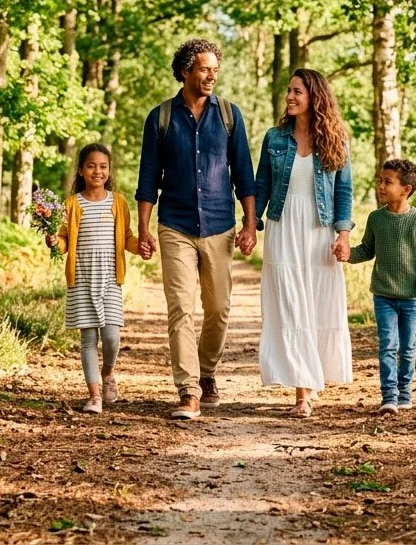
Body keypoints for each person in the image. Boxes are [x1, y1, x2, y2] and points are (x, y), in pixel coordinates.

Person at [135, 38, 257, 420]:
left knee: (218, 309)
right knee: (180, 308)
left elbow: (244, 173)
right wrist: (143, 228)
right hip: (175, 225)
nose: (211, 76)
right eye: (205, 69)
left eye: (215, 70)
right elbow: (148, 177)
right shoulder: (161, 118)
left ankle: (206, 372)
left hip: (220, 225)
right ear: (186, 70)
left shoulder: (229, 115)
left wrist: (250, 223)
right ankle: (188, 390)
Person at [254, 69, 354, 419]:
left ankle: (309, 385)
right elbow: (262, 185)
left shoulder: (336, 139)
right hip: (283, 227)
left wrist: (343, 234)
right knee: (290, 305)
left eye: (297, 91)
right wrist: (251, 224)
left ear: (315, 96)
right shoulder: (274, 138)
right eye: (289, 91)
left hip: (319, 231)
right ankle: (302, 392)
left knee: (315, 305)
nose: (290, 97)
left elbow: (343, 190)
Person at [48, 143, 142, 414]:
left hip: (110, 278)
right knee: (88, 339)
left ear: (109, 170)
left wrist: (141, 247)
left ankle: (108, 372)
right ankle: (94, 396)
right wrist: (54, 243)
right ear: (81, 170)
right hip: (81, 280)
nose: (97, 171)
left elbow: (127, 238)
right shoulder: (71, 204)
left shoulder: (118, 202)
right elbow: (64, 241)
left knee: (111, 336)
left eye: (102, 166)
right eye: (91, 166)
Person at [342, 158, 416, 415]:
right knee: (388, 345)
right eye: (380, 181)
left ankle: (405, 393)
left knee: (408, 347)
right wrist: (347, 254)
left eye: (387, 182)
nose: (381, 186)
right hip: (383, 295)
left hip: (410, 297)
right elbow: (367, 250)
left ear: (406, 189)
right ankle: (389, 396)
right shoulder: (376, 218)